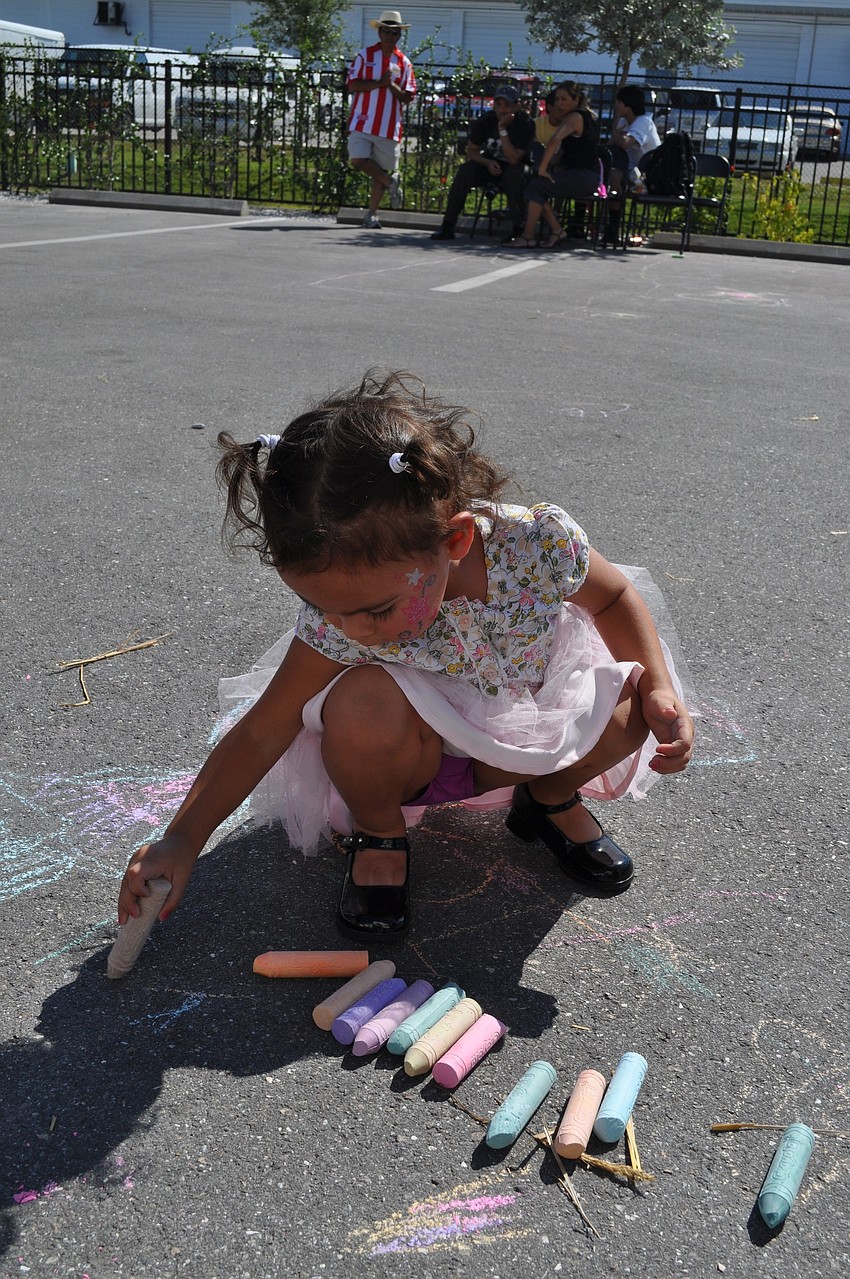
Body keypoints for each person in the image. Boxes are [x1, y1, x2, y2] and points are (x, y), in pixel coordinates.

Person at [118, 371, 694, 941]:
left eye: (374, 610)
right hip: (412, 759)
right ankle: (378, 833)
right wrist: (182, 836)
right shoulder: (345, 615)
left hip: (522, 733)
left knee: (629, 696)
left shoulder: (535, 544)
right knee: (359, 702)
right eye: (323, 608)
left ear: (457, 541)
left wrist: (661, 687)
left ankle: (546, 800)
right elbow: (264, 729)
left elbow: (615, 595)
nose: (350, 630)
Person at [430, 84, 535, 242]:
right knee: (465, 171)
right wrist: (487, 163)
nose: (502, 110)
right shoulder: (486, 120)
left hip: (516, 168)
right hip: (490, 165)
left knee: (514, 175)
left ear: (517, 105)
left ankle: (517, 229)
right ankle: (448, 225)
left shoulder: (525, 123)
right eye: (498, 105)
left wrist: (502, 129)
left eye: (507, 105)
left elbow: (514, 158)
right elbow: (471, 151)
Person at [504, 81, 599, 250]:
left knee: (536, 187)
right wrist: (545, 166)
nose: (559, 103)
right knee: (535, 186)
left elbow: (554, 140)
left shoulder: (575, 117)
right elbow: (562, 155)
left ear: (576, 100)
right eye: (557, 100)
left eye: (564, 99)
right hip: (579, 175)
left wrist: (542, 169)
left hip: (583, 177)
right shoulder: (578, 118)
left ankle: (528, 236)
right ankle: (556, 230)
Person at [347, 9, 417, 229]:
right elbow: (353, 85)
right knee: (357, 160)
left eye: (394, 33)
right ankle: (390, 183)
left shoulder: (404, 63)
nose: (390, 36)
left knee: (381, 170)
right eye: (386, 31)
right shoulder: (364, 56)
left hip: (389, 125)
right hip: (362, 120)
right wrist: (379, 83)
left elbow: (408, 96)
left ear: (399, 36)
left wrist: (391, 85)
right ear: (379, 32)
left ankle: (372, 214)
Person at [606, 84, 662, 246]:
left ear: (628, 105)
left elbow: (625, 144)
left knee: (615, 176)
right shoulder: (624, 122)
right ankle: (592, 222)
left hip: (646, 176)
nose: (616, 106)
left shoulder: (643, 123)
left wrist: (616, 133)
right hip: (629, 171)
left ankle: (613, 228)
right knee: (606, 174)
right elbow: (613, 144)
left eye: (619, 102)